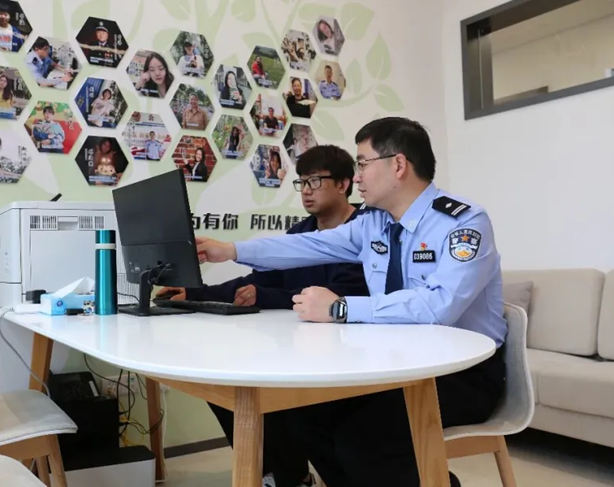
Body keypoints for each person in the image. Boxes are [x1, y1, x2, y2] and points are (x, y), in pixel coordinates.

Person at [193, 117, 507, 487]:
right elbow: (307, 245)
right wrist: (232, 250)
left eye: (362, 163)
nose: (356, 177)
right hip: (396, 363)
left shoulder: (462, 223)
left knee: (362, 438)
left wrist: (340, 308)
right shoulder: (373, 223)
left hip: (461, 374)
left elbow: (439, 306)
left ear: (398, 164)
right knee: (306, 414)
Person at [157, 145, 370, 487]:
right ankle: (284, 475)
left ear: (344, 184)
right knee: (226, 383)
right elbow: (260, 280)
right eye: (302, 183)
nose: (307, 190)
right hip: (297, 342)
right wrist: (194, 293)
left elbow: (343, 293)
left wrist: (267, 295)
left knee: (281, 401)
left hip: (346, 351)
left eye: (315, 181)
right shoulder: (300, 232)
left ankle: (289, 474)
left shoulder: (366, 228)